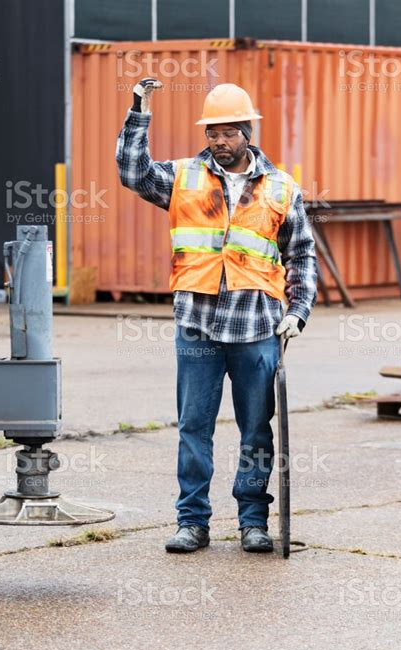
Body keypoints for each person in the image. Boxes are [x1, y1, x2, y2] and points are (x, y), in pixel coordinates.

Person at [116, 80, 317, 553]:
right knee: (194, 426)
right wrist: (139, 111)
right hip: (198, 325)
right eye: (212, 133)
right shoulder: (183, 177)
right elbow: (131, 171)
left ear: (247, 133)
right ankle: (192, 522)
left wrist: (299, 311)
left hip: (256, 327)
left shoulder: (282, 187)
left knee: (255, 428)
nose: (218, 141)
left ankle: (253, 521)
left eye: (227, 133)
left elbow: (302, 253)